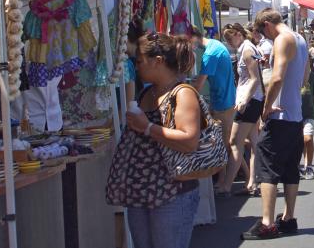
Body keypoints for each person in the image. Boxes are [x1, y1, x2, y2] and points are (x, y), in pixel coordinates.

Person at [106, 32, 202, 248]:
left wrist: (147, 127)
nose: (136, 66)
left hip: (172, 192)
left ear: (157, 61)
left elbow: (189, 141)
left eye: (139, 61)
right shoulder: (147, 93)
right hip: (143, 191)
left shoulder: (182, 94)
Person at [241, 8, 307, 240]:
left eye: (262, 31)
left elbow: (277, 78)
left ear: (268, 24)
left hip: (280, 116)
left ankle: (267, 223)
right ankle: (288, 218)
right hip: (294, 115)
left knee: (267, 167)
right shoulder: (299, 39)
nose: (264, 37)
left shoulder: (282, 39)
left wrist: (266, 108)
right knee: (290, 168)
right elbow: (304, 77)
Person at [216, 28, 264, 197]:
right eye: (226, 39)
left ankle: (227, 185)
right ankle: (252, 182)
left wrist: (244, 100)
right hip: (251, 100)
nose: (228, 42)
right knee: (252, 143)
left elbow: (255, 78)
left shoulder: (248, 49)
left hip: (249, 101)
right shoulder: (247, 48)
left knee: (235, 142)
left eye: (230, 37)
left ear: (238, 34)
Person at [190, 27, 235, 192]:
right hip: (226, 99)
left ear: (193, 37)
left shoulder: (209, 54)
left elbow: (199, 84)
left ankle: (223, 182)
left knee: (222, 144)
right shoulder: (216, 44)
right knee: (228, 143)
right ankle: (241, 177)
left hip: (222, 102)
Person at [300, 53, 314, 180]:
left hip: (309, 113)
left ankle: (309, 166)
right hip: (295, 114)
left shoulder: (313, 77)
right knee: (298, 141)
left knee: (308, 139)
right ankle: (299, 165)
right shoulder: (293, 76)